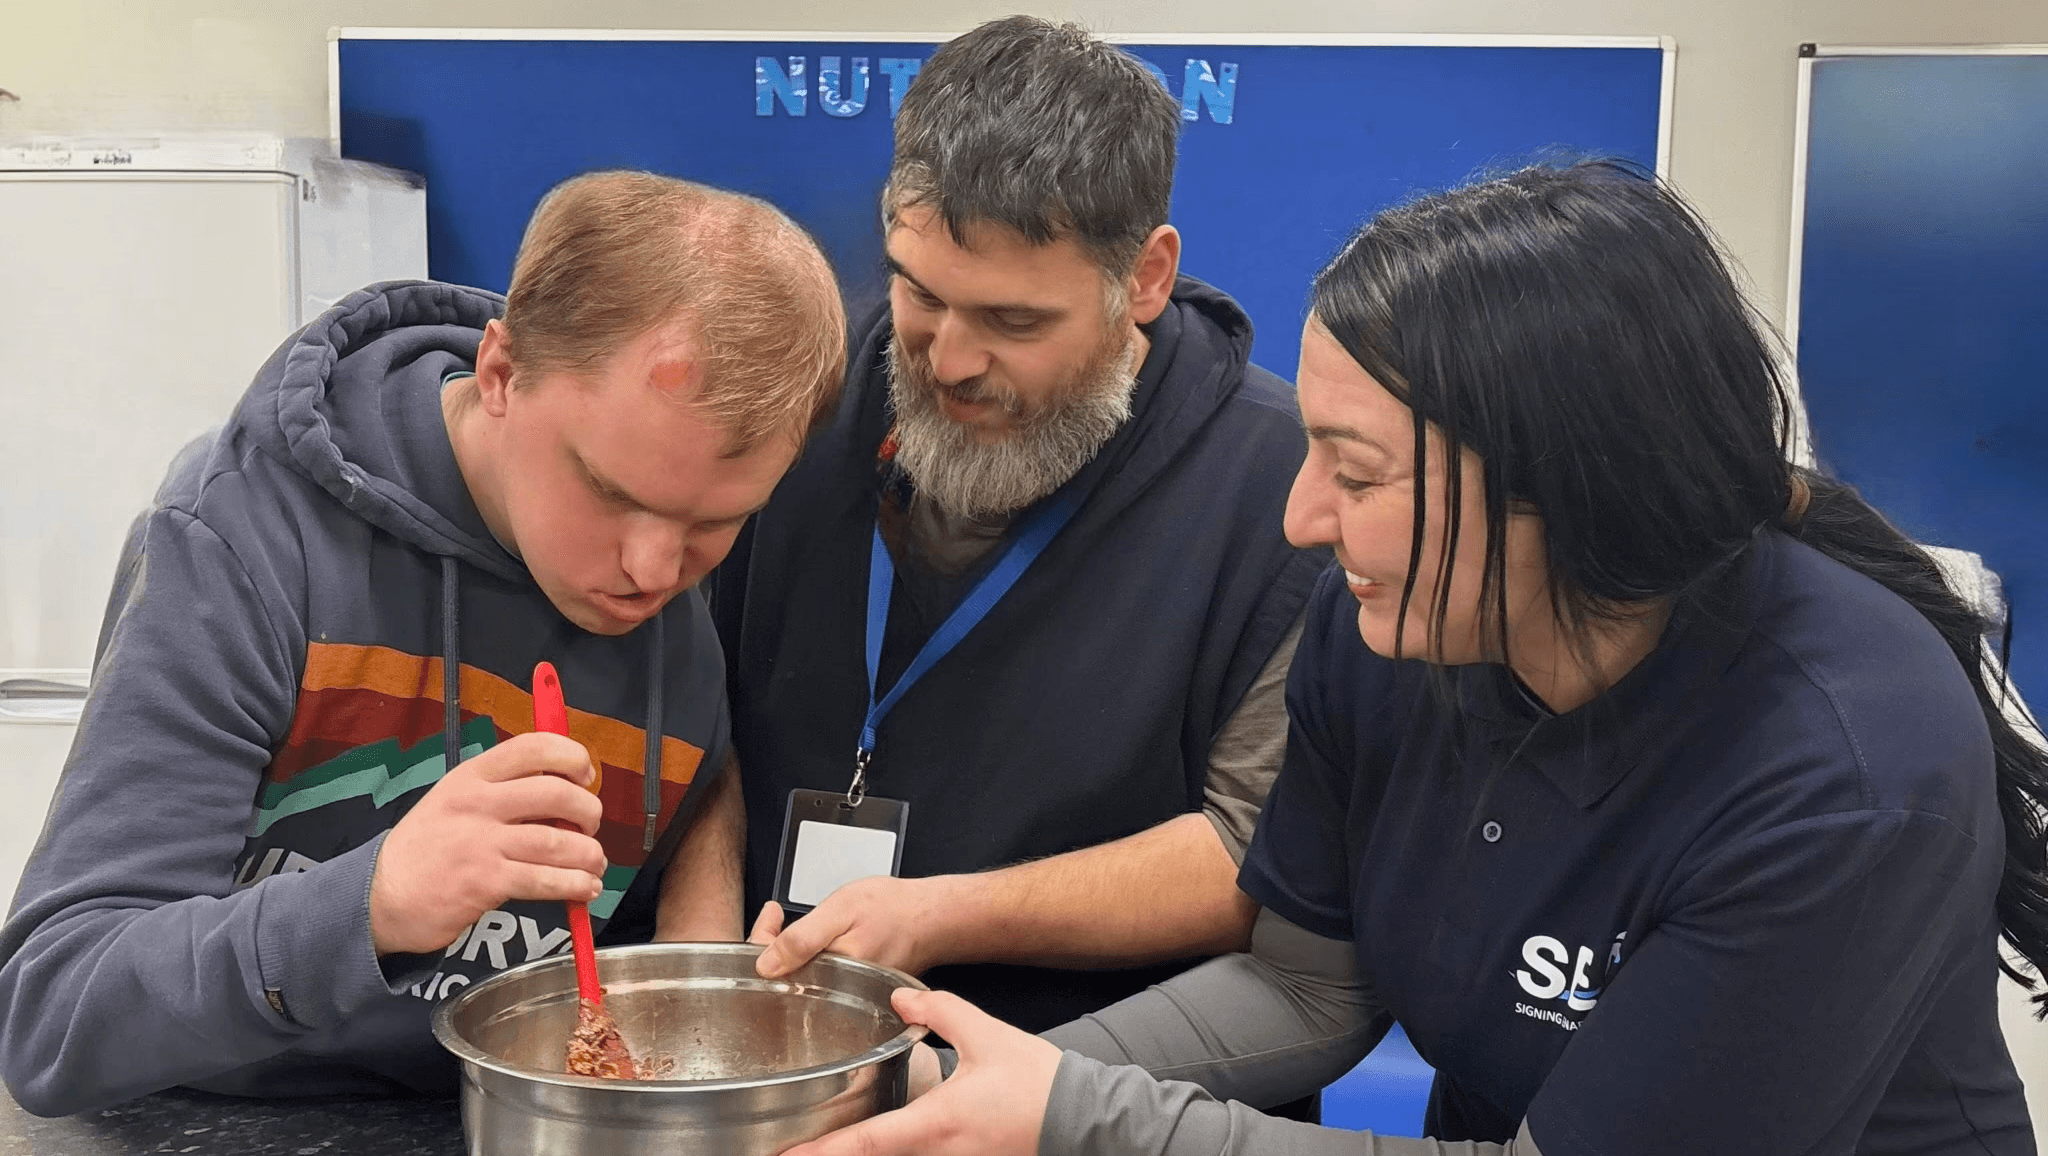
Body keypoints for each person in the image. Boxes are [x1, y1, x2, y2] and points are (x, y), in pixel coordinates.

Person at [776, 159, 2048, 1156]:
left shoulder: (1840, 771)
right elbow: (1303, 991)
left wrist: (1074, 1117)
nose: (1300, 520)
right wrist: (963, 1081)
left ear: (1565, 491)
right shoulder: (1393, 623)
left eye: (1358, 472)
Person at [0, 171, 846, 1116]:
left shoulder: (671, 610)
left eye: (714, 523)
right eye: (611, 493)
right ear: (499, 373)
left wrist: (708, 977)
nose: (653, 568)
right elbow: (54, 1011)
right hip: (208, 1118)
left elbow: (696, 798)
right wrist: (372, 904)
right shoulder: (244, 544)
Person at [712, 14, 1328, 1045]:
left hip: (1096, 1085)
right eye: (919, 291)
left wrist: (944, 914)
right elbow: (695, 711)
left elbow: (1252, 858)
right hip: (774, 1051)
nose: (946, 361)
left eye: (1011, 321)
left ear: (1145, 278)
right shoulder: (801, 388)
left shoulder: (1287, 491)